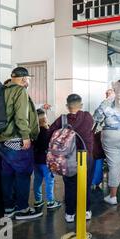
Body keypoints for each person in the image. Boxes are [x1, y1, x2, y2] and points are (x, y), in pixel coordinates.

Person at [0, 67, 41, 220]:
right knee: (22, 174)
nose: (28, 81)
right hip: (17, 140)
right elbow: (21, 117)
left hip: (2, 140)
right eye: (28, 79)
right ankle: (22, 209)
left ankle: (9, 208)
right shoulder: (20, 91)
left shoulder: (2, 90)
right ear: (23, 79)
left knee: (7, 174)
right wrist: (26, 137)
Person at [48, 94, 94, 222]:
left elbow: (49, 134)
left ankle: (70, 214)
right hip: (86, 156)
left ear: (67, 106)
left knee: (69, 185)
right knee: (86, 184)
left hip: (67, 159)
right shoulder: (87, 117)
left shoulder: (61, 120)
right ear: (81, 105)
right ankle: (86, 211)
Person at [33, 109, 61, 210]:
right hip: (46, 161)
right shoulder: (47, 132)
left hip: (36, 160)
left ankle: (38, 200)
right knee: (49, 181)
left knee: (37, 180)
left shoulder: (34, 132)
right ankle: (50, 201)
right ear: (45, 119)